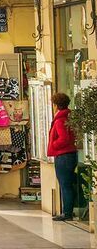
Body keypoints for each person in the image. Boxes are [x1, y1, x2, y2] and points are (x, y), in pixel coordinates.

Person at [48, 92, 78, 221]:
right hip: (71, 154)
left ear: (56, 105)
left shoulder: (60, 120)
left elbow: (63, 139)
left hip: (63, 156)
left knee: (65, 184)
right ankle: (70, 210)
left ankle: (67, 213)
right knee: (69, 184)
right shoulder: (69, 117)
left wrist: (53, 145)